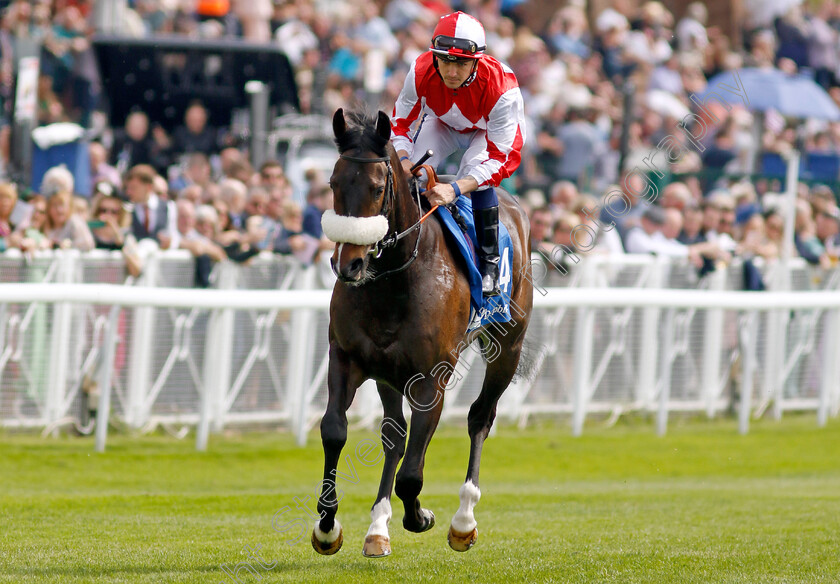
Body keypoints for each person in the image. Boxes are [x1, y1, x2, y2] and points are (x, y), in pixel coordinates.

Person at [391, 11, 526, 296]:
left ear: (477, 61)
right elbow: (399, 123)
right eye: (445, 61)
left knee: (472, 171)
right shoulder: (419, 69)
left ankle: (489, 263)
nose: (451, 72)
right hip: (441, 122)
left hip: (484, 132)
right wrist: (403, 160)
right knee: (410, 169)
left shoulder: (503, 88)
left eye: (462, 63)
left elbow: (503, 160)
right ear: (434, 56)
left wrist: (454, 189)